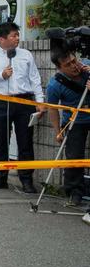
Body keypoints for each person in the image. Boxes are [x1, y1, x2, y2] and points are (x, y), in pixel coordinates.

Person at [0, 22, 44, 193]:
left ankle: (26, 180)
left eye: (17, 35)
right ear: (2, 39)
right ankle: (0, 177)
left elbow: (35, 79)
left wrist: (40, 101)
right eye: (13, 35)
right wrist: (1, 75)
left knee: (25, 142)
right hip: (1, 102)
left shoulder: (26, 55)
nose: (17, 38)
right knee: (1, 141)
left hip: (24, 102)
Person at [45, 51, 90, 207]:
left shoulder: (86, 66)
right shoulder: (54, 84)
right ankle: (74, 193)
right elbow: (52, 108)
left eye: (73, 61)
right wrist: (58, 131)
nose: (74, 66)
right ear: (59, 68)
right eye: (68, 65)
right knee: (74, 157)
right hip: (74, 121)